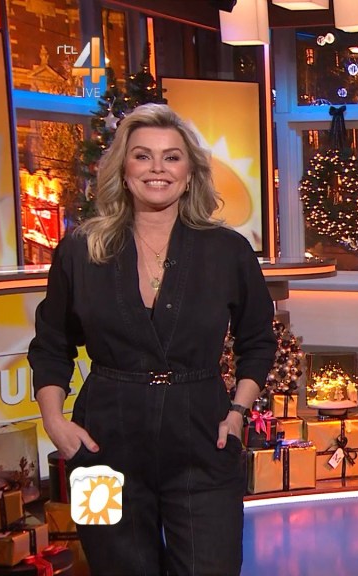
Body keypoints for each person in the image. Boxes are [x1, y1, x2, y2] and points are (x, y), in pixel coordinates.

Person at [28, 103, 276, 575]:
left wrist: (238, 412)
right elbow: (51, 344)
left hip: (204, 437)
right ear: (123, 171)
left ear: (190, 173)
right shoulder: (80, 250)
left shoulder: (228, 251)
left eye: (171, 157)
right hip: (100, 445)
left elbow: (258, 339)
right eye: (142, 156)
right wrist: (55, 423)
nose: (157, 168)